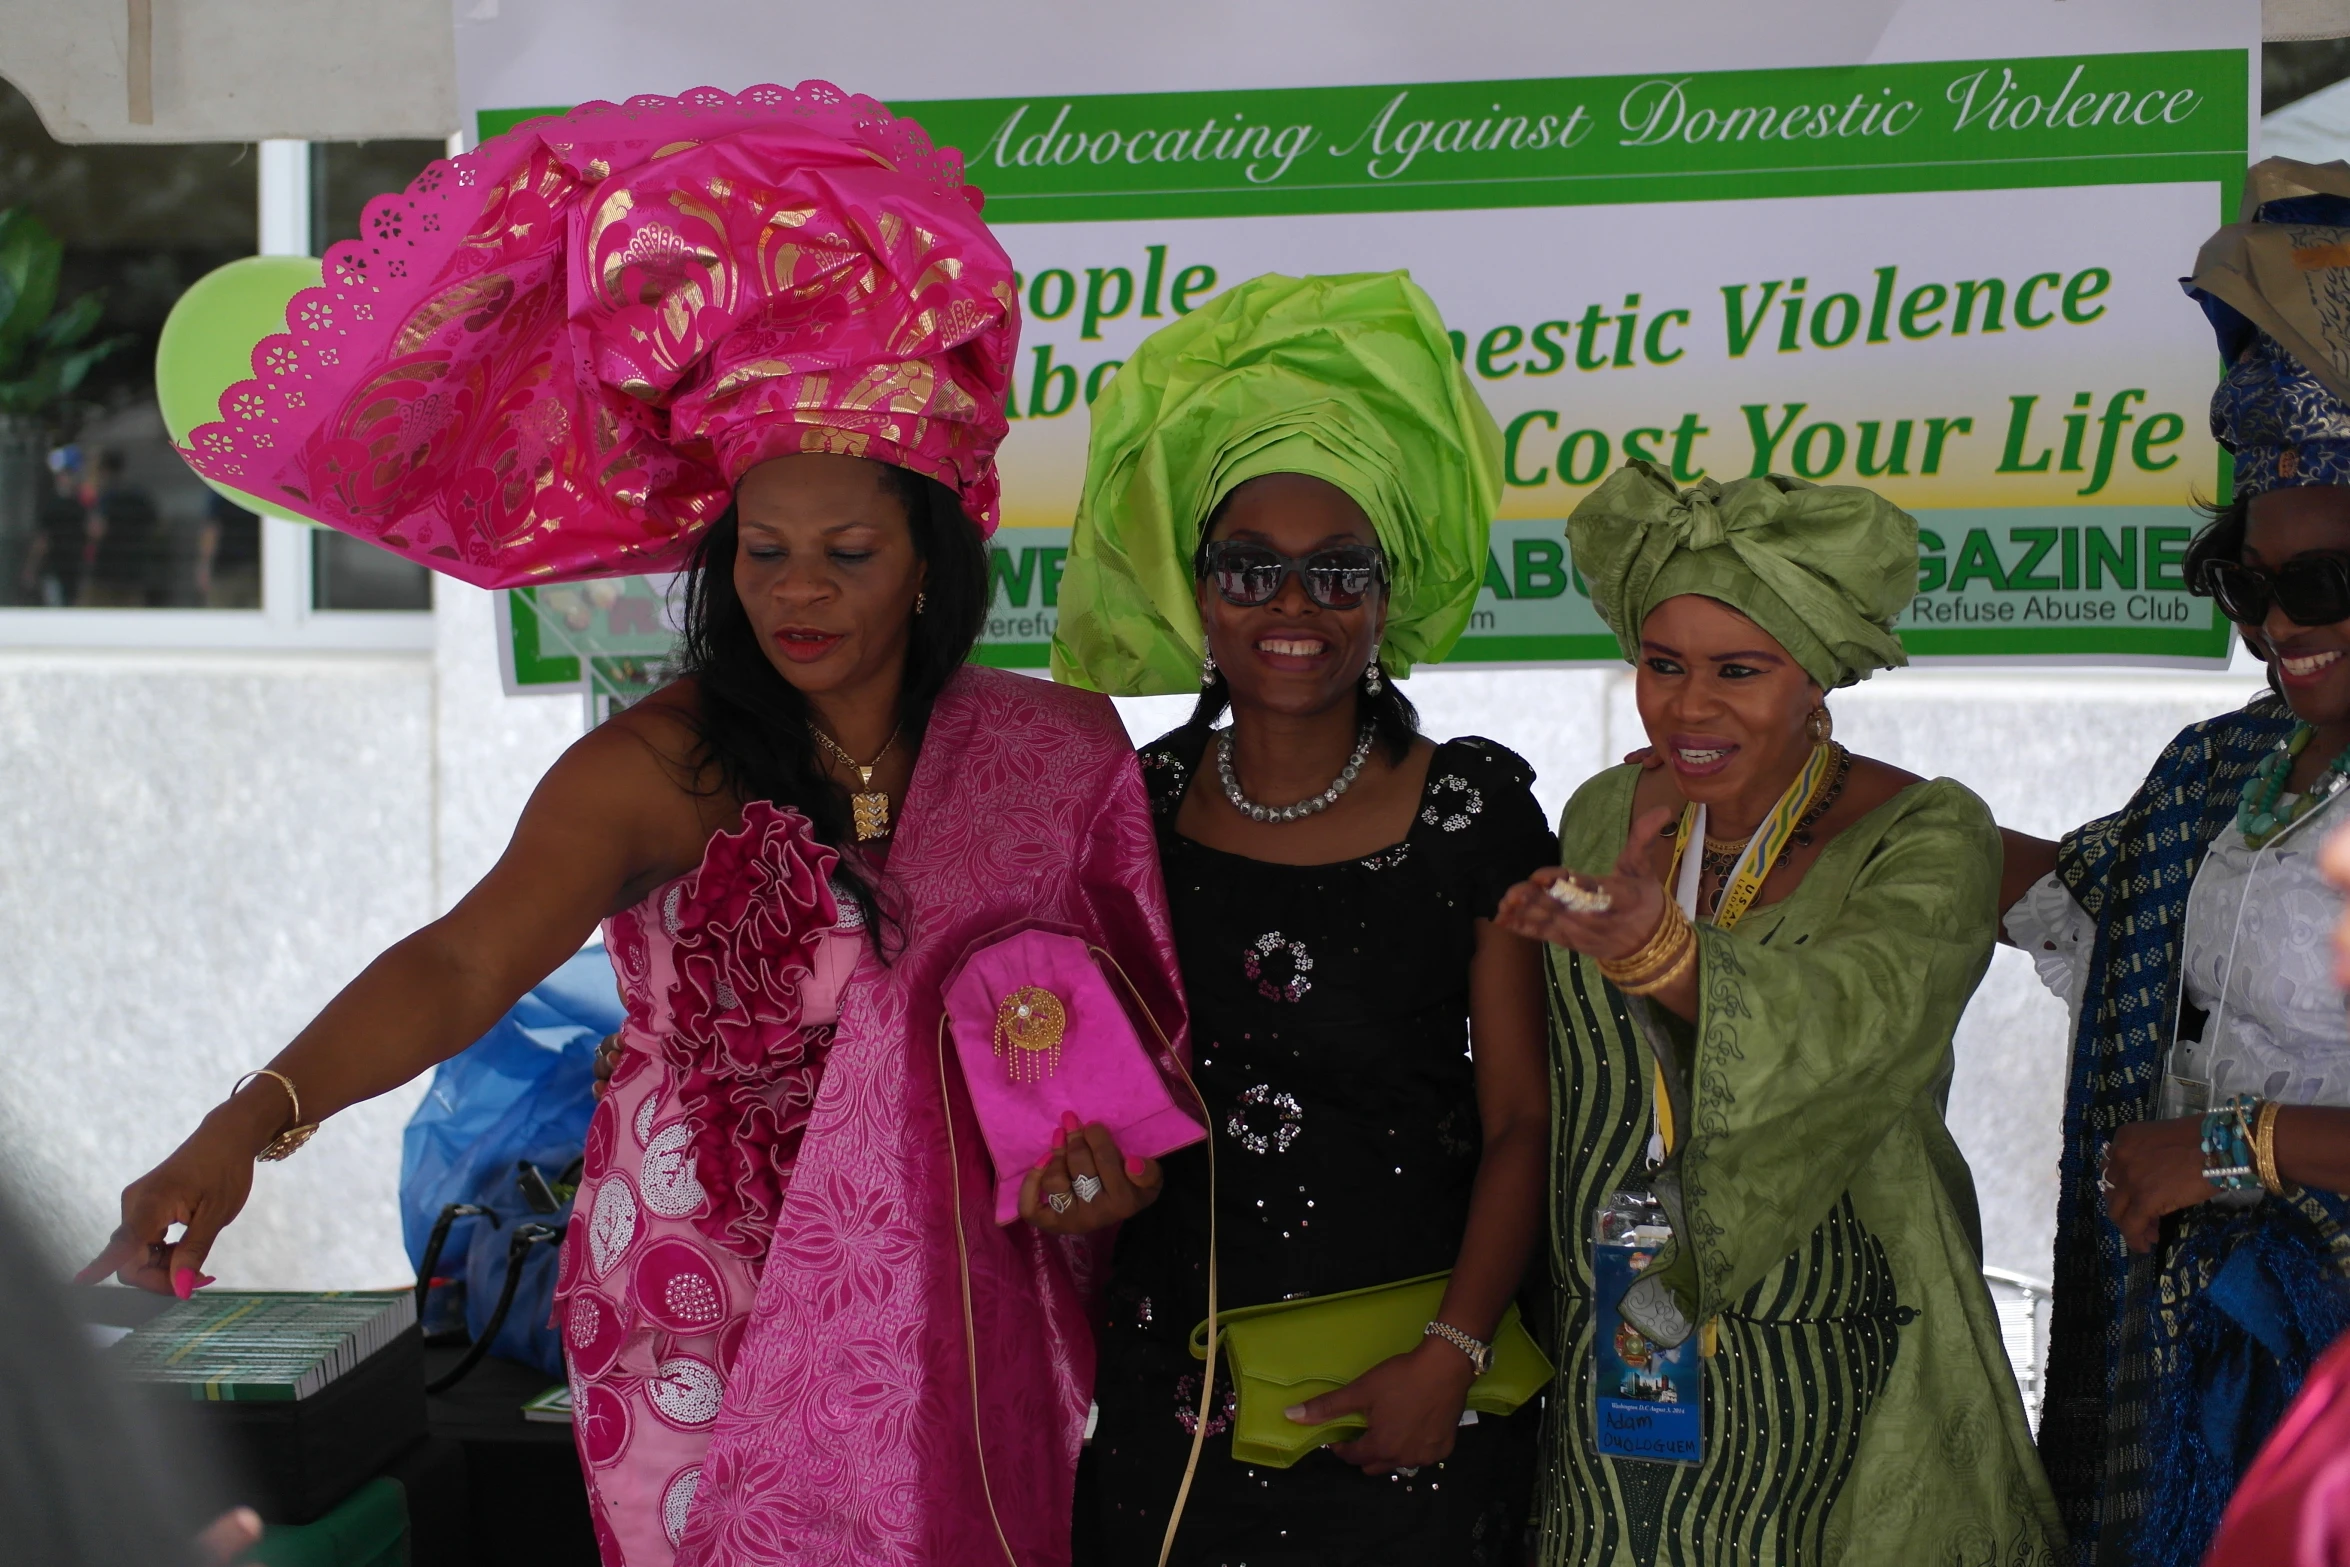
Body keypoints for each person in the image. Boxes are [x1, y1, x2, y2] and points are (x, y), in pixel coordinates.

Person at [78, 83, 1186, 1567]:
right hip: (693, 1313)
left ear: (930, 562)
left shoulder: (1044, 753)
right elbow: (464, 966)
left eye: (846, 554)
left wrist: (1105, 1158)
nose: (796, 591)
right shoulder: (653, 766)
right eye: (765, 553)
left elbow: (1113, 1038)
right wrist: (248, 1120)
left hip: (948, 1321)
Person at [1053, 271, 1555, 1564]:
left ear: (1385, 599)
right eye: (1248, 569)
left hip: (1413, 1388)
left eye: (1339, 570)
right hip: (1180, 1403)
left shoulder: (1471, 811)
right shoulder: (1130, 805)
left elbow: (1521, 1119)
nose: (1293, 606)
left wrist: (1448, 1358)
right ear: (1195, 593)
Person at [1496, 461, 2061, 1565]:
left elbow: (1859, 1016)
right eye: (1662, 665)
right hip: (1616, 1352)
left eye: (1737, 670)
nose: (1689, 705)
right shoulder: (1612, 807)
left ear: (1818, 676)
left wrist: (1663, 950)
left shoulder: (1929, 831)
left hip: (1826, 1363)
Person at [1998, 157, 2350, 1567]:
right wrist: (1818, 779)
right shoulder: (2226, 762)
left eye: (2317, 584)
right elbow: (2074, 898)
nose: (2274, 626)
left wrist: (2231, 1148)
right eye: (2243, 581)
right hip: (2208, 1344)